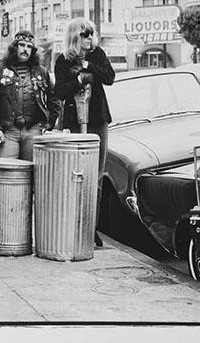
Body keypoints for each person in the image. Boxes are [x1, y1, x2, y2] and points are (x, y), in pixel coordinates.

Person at [54, 18, 115, 246]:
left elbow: (109, 77)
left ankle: (91, 227)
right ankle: (73, 223)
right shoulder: (63, 60)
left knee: (96, 176)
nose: (90, 39)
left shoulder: (97, 54)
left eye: (92, 34)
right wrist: (78, 79)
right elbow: (59, 91)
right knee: (75, 174)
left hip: (97, 120)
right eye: (85, 34)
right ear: (74, 37)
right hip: (73, 122)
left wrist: (89, 67)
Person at [0, 29, 60, 161]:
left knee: (34, 173)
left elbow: (54, 98)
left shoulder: (41, 71)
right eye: (22, 45)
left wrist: (49, 124)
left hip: (34, 130)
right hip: (9, 131)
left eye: (29, 47)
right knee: (7, 171)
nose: (25, 49)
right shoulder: (0, 69)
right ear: (14, 47)